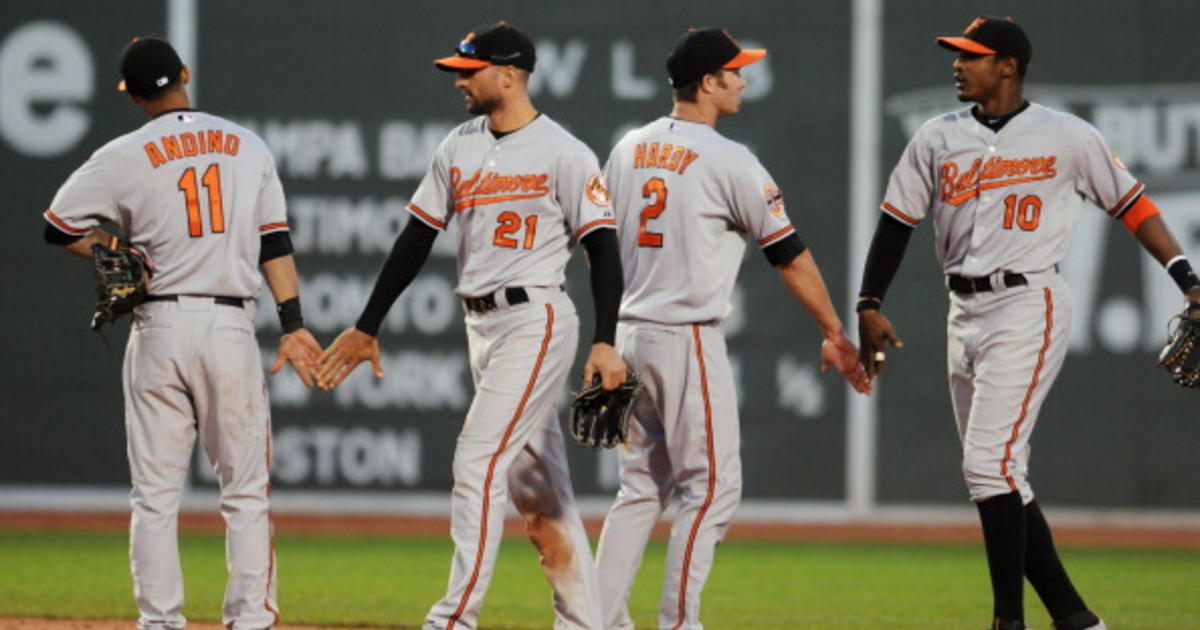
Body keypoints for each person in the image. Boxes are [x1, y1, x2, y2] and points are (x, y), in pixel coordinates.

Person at [856, 16, 1200, 630]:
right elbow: (895, 223)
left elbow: (1133, 205)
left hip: (1028, 302)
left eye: (972, 56)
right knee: (1002, 473)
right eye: (957, 56)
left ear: (1008, 65)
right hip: (962, 311)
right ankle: (1075, 618)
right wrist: (868, 303)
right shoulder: (937, 137)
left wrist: (1188, 280)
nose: (958, 65)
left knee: (986, 467)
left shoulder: (1067, 135)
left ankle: (1007, 622)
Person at [315, 21, 626, 630]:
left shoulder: (565, 152)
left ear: (509, 74)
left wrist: (606, 338)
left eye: (470, 71)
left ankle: (453, 618)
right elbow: (416, 237)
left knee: (476, 463)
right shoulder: (457, 145)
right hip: (481, 326)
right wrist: (368, 324)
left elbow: (603, 249)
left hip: (535, 317)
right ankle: (593, 622)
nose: (460, 81)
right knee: (538, 490)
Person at [594, 27, 872, 630]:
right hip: (686, 335)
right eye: (734, 70)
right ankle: (679, 623)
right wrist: (833, 330)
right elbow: (790, 255)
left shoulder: (627, 148)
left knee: (640, 488)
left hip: (632, 334)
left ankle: (591, 622)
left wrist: (606, 337)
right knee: (711, 489)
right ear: (707, 81)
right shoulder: (730, 159)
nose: (743, 79)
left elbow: (602, 250)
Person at [42, 36, 322, 630]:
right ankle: (250, 619)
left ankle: (160, 622)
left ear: (131, 94)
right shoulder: (247, 146)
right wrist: (293, 323)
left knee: (154, 494)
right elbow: (275, 242)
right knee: (245, 491)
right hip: (228, 325)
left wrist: (110, 252)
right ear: (184, 74)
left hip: (159, 323)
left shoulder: (123, 153)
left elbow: (58, 225)